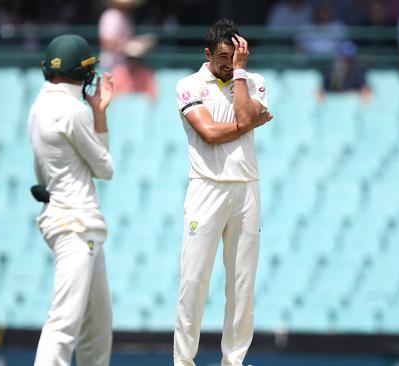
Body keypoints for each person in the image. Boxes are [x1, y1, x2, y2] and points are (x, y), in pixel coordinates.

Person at [173, 19, 273, 366]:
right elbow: (211, 134)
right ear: (207, 53)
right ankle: (183, 361)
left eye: (234, 57)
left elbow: (244, 113)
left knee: (242, 284)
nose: (228, 64)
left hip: (246, 188)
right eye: (222, 57)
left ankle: (233, 361)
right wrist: (247, 123)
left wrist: (242, 76)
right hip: (207, 188)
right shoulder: (189, 85)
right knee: (194, 280)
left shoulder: (253, 81)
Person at [28, 34, 115, 366]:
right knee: (65, 323)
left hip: (69, 221)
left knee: (97, 325)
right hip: (77, 225)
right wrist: (100, 113)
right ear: (80, 73)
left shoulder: (38, 108)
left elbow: (42, 172)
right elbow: (105, 168)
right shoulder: (72, 111)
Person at [110, 36, 157, 100]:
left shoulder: (147, 75)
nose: (133, 61)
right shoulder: (118, 72)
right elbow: (112, 95)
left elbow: (153, 97)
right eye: (130, 58)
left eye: (135, 59)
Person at [98, 0, 140, 70]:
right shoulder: (111, 16)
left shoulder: (127, 16)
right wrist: (129, 46)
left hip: (122, 63)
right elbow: (106, 41)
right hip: (111, 62)